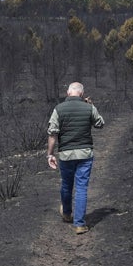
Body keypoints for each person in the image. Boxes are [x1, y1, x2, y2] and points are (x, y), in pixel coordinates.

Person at [47, 82, 105, 234]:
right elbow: (100, 124)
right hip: (85, 154)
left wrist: (50, 154)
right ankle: (79, 224)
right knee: (81, 188)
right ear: (81, 94)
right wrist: (92, 106)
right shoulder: (89, 107)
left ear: (68, 93)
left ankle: (67, 213)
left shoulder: (58, 109)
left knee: (67, 184)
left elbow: (52, 133)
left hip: (66, 154)